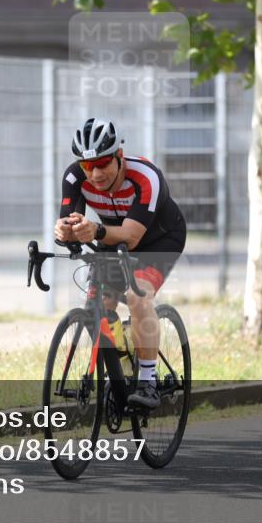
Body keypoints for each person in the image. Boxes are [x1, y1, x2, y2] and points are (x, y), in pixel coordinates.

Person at [53, 117, 187, 410]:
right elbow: (70, 219)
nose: (96, 173)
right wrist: (64, 230)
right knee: (99, 304)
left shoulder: (145, 177)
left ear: (119, 156)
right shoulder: (75, 177)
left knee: (138, 297)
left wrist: (97, 231)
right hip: (113, 237)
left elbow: (133, 236)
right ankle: (122, 367)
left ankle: (149, 382)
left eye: (102, 163)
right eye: (88, 166)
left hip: (159, 239)